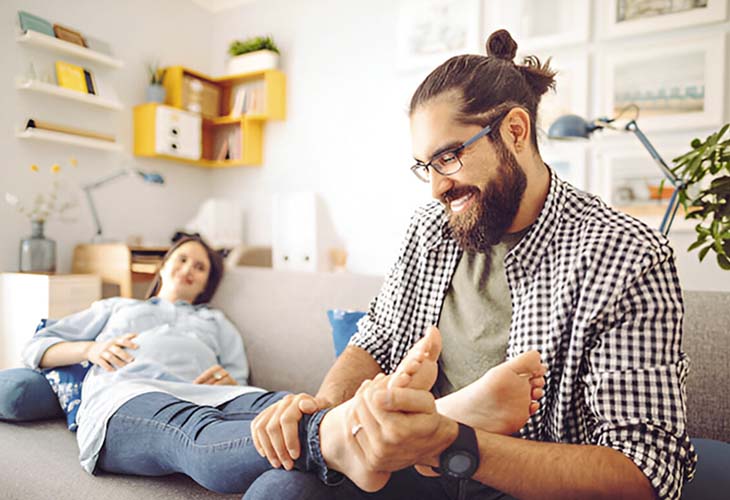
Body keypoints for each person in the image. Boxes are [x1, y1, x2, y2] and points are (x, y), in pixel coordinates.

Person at [246, 30, 697, 500]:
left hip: (518, 478)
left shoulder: (627, 254)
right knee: (281, 489)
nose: (437, 187)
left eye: (449, 157)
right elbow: (377, 340)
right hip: (411, 466)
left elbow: (646, 469)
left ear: (515, 132)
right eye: (427, 166)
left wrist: (452, 441)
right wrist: (325, 415)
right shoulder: (430, 229)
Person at [21, 235, 545, 495]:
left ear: (207, 283)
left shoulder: (216, 324)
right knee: (191, 435)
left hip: (219, 394)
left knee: (280, 410)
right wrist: (88, 352)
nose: (188, 268)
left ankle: (431, 424)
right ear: (163, 267)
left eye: (200, 266)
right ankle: (392, 428)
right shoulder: (117, 308)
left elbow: (241, 378)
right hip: (132, 396)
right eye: (182, 258)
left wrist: (229, 380)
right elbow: (37, 348)